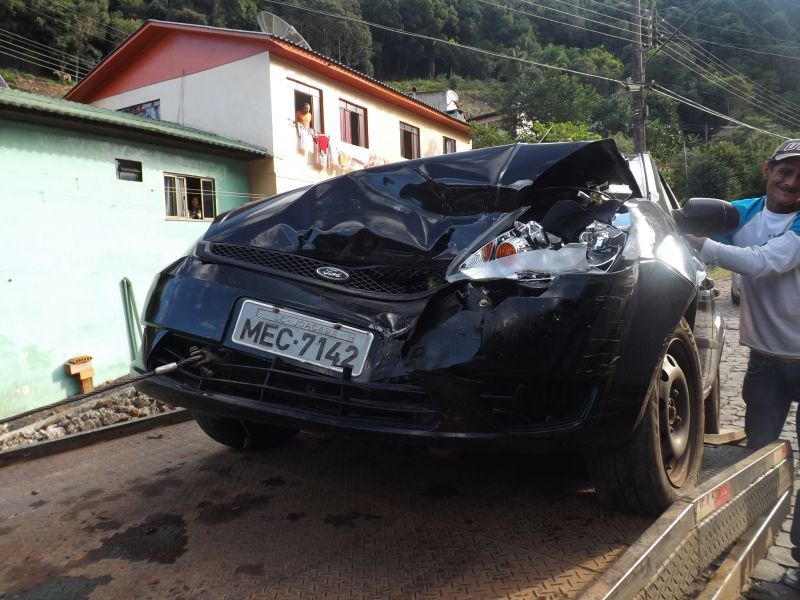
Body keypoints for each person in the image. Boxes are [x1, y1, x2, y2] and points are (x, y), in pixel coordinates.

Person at [685, 138, 800, 590]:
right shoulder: (743, 213)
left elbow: (763, 263)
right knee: (756, 458)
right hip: (766, 361)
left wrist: (701, 245)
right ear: (767, 169)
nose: (792, 182)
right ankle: (746, 539)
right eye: (785, 171)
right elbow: (690, 218)